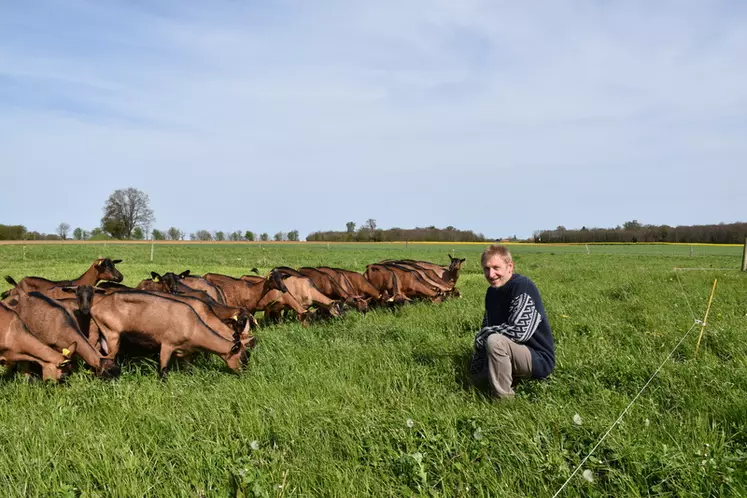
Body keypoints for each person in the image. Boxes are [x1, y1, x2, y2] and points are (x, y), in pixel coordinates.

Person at [470, 244, 555, 398]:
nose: (491, 274)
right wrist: (475, 370)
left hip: (537, 358)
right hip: (512, 353)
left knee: (494, 341)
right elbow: (486, 325)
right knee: (474, 379)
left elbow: (520, 332)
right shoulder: (492, 293)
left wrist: (482, 336)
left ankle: (503, 400)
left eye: (496, 267)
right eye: (486, 269)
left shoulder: (522, 286)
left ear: (510, 266)